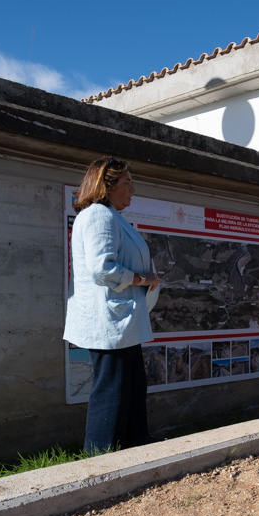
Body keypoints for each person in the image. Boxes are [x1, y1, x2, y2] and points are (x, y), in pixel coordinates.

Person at [64, 157, 160, 454]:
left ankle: (135, 448)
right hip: (111, 323)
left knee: (131, 391)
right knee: (112, 394)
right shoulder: (98, 215)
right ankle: (100, 459)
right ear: (107, 185)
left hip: (123, 324)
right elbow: (102, 269)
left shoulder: (111, 216)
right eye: (126, 182)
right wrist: (142, 279)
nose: (132, 189)